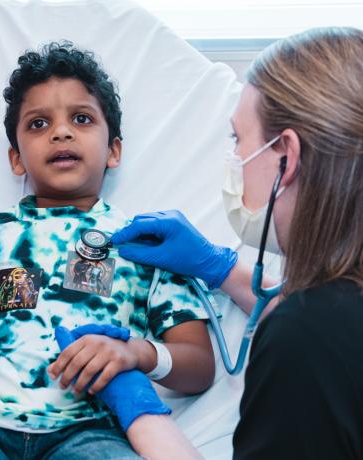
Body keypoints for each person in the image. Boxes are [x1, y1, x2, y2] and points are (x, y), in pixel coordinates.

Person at [0, 42, 213, 459]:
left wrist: (136, 353)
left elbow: (199, 365)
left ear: (113, 150)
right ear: (17, 159)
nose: (61, 132)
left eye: (81, 119)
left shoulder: (144, 241)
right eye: (37, 124)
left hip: (91, 425)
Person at [110, 27, 363, 459]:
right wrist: (219, 266)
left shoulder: (304, 338)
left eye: (237, 140)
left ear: (287, 154)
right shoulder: (325, 322)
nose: (235, 160)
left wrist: (141, 409)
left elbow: (318, 335)